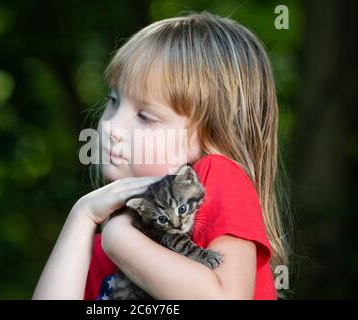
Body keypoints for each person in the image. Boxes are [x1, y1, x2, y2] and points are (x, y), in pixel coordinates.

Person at [33, 11, 290, 300]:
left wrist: (118, 236)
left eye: (145, 116)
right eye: (113, 101)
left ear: (212, 135)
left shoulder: (217, 176)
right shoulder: (97, 253)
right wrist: (81, 216)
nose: (109, 126)